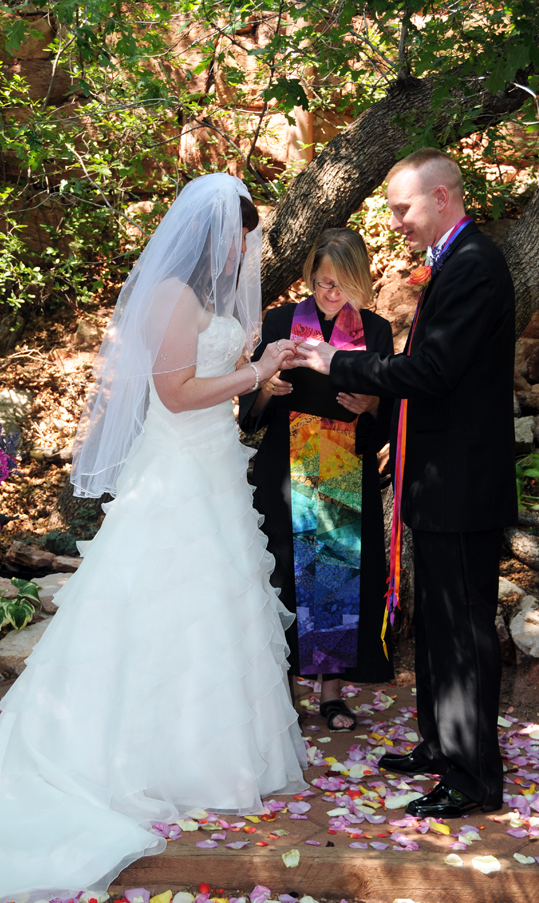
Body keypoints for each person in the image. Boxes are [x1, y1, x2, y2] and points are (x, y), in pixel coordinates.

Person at [0, 173, 307, 903]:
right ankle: (138, 754)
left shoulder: (208, 300)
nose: (247, 249)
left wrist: (265, 380)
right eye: (241, 238)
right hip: (174, 475)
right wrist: (253, 373)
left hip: (215, 470)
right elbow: (174, 393)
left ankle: (210, 756)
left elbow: (222, 381)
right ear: (215, 235)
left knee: (217, 614)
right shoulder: (174, 296)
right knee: (161, 608)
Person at [289, 148, 517, 818]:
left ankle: (475, 777)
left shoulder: (476, 264)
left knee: (465, 629)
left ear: (443, 196)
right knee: (440, 628)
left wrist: (342, 363)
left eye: (402, 208)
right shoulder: (455, 259)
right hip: (441, 482)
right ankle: (442, 746)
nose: (396, 222)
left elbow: (434, 371)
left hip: (464, 484)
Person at [239, 229, 394, 732]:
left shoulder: (376, 330)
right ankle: (284, 693)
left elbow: (392, 414)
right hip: (284, 464)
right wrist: (268, 387)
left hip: (343, 461)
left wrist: (372, 404)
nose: (332, 294)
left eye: (343, 285)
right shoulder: (282, 320)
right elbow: (250, 416)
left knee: (338, 579)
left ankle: (331, 695)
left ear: (360, 281)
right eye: (324, 283)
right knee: (283, 576)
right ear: (309, 277)